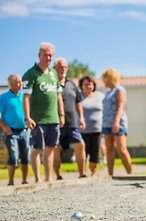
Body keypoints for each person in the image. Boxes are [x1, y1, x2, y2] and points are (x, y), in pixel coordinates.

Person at [22, 42, 64, 183]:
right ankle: (37, 179)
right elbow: (26, 97)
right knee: (37, 149)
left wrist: (61, 114)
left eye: (50, 55)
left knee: (51, 148)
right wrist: (27, 117)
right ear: (39, 55)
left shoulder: (53, 73)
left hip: (53, 119)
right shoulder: (30, 74)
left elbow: (58, 96)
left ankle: (48, 178)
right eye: (45, 55)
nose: (48, 57)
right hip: (37, 119)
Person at [53, 58, 87, 180]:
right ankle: (58, 175)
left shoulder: (72, 84)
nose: (63, 69)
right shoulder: (51, 83)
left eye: (65, 67)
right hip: (56, 123)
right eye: (61, 66)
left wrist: (82, 117)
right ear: (54, 68)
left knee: (80, 145)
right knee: (55, 149)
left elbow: (78, 102)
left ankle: (82, 173)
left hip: (73, 123)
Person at [101, 69, 132, 176]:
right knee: (109, 150)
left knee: (121, 149)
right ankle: (110, 175)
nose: (103, 81)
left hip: (117, 124)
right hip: (106, 124)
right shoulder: (108, 93)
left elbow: (120, 107)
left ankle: (130, 173)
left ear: (109, 78)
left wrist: (116, 122)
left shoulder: (119, 90)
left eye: (104, 78)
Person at [0, 75, 29, 186]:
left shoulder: (24, 96)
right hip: (11, 132)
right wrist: (4, 126)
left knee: (25, 156)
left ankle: (25, 180)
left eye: (21, 82)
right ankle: (11, 181)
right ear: (10, 84)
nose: (21, 84)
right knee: (13, 156)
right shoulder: (4, 97)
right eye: (18, 82)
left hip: (25, 131)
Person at [79, 76, 104, 176]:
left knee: (95, 152)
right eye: (86, 84)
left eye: (91, 84)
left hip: (97, 130)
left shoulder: (100, 96)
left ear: (94, 85)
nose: (88, 86)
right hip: (82, 130)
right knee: (83, 152)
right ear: (81, 86)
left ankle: (93, 173)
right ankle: (83, 172)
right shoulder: (78, 96)